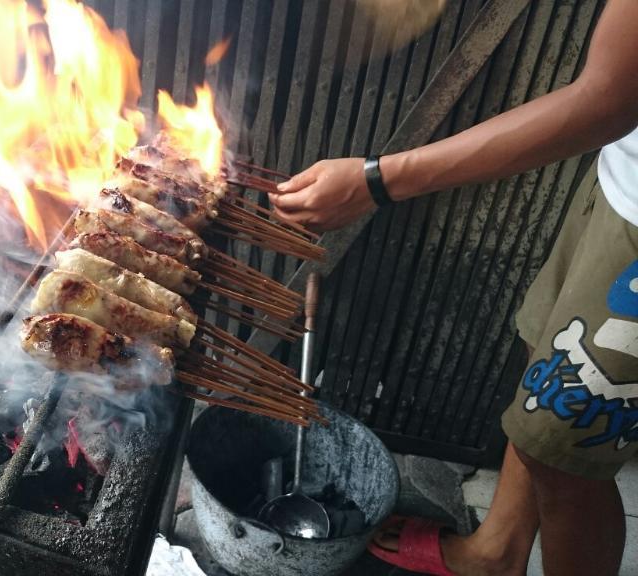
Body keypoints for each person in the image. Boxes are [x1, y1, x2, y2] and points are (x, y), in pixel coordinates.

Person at [269, 1, 638, 575]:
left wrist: (377, 181)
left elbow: (608, 99)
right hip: (623, 181)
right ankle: (498, 549)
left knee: (565, 457)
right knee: (541, 359)